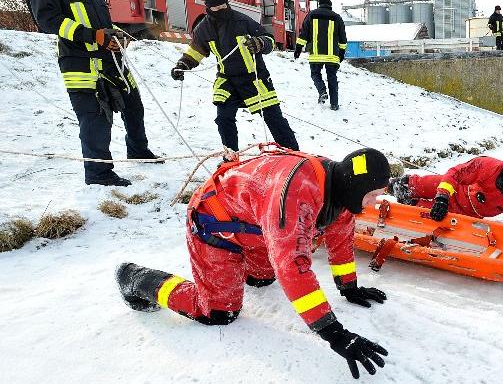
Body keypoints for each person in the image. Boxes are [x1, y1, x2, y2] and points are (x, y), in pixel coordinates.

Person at [116, 147, 391, 379]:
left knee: (262, 278)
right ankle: (135, 278)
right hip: (216, 227)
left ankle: (239, 269)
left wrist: (349, 287)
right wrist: (335, 333)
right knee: (219, 313)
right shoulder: (296, 194)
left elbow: (340, 235)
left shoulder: (340, 191)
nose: (377, 201)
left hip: (255, 228)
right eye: (374, 193)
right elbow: (294, 269)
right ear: (355, 186)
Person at [29, 0, 160, 187]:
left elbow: (101, 24)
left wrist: (116, 35)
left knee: (134, 105)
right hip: (81, 63)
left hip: (110, 58)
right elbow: (48, 20)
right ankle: (99, 174)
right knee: (95, 117)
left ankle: (138, 151)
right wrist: (93, 36)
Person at [171, 0, 299, 151]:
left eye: (223, 5)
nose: (220, 9)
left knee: (274, 117)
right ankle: (231, 156)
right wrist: (183, 64)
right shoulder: (203, 28)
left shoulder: (242, 20)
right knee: (224, 119)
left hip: (254, 79)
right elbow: (196, 51)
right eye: (216, 7)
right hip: (227, 82)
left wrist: (260, 43)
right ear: (208, 7)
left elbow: (270, 39)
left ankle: (293, 152)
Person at [388, 154, 503, 251]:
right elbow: (456, 173)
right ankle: (384, 188)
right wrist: (442, 196)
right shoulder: (489, 167)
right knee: (408, 186)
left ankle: (410, 205)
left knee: (417, 211)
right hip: (450, 189)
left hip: (461, 214)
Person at [293, 0, 347, 111]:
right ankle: (334, 104)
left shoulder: (311, 15)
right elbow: (343, 38)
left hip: (316, 54)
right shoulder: (337, 17)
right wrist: (341, 53)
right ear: (330, 6)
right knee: (332, 78)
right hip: (332, 56)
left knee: (315, 74)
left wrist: (298, 49)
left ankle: (322, 91)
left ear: (319, 4)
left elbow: (304, 34)